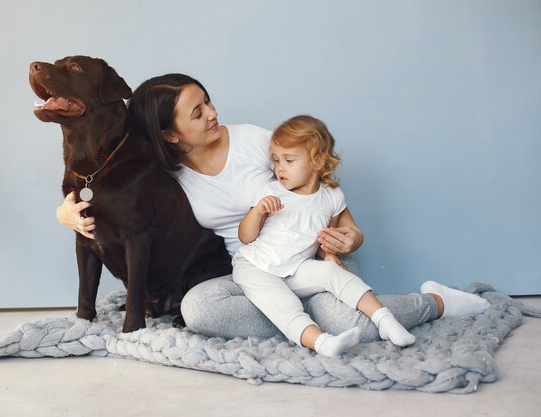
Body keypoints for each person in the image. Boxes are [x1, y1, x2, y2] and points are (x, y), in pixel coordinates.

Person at [55, 73, 490, 346]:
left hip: (310, 256)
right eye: (198, 111)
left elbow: (320, 181)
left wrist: (351, 235)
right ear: (170, 135)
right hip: (250, 270)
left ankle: (435, 302)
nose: (213, 113)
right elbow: (108, 191)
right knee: (198, 310)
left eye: (208, 101)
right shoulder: (166, 174)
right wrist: (64, 214)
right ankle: (308, 322)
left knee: (347, 324)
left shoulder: (254, 141)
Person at [232, 115, 416, 356]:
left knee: (333, 272)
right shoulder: (271, 192)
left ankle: (385, 320)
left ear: (317, 161)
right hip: (256, 266)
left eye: (289, 160)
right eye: (276, 161)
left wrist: (328, 254)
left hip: (295, 268)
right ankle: (322, 343)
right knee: (282, 303)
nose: (280, 168)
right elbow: (246, 237)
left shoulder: (331, 197)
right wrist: (258, 211)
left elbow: (323, 236)